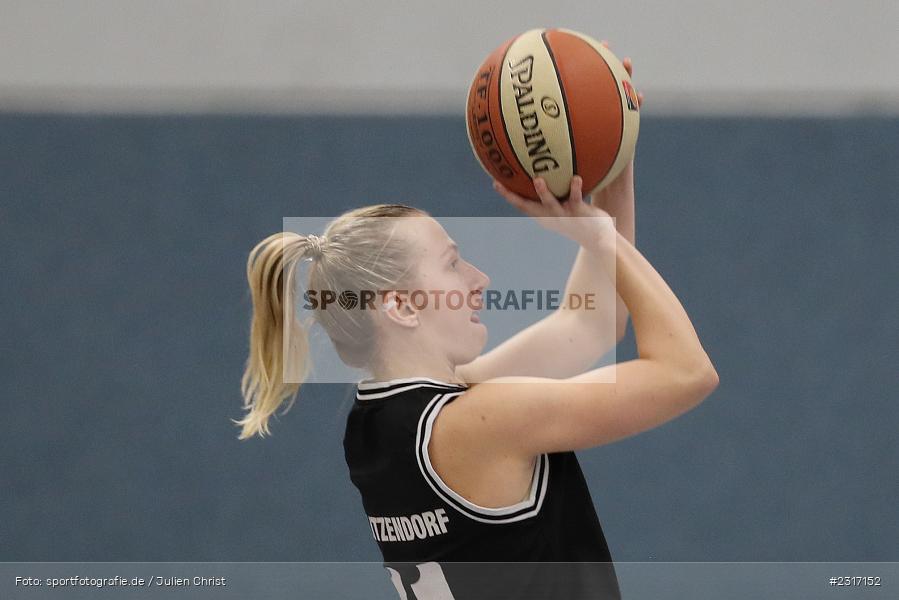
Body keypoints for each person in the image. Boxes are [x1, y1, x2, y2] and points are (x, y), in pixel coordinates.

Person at [236, 57, 718, 600]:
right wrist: (600, 239)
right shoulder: (482, 421)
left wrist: (612, 168)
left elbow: (590, 322)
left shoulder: (380, 423)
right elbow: (686, 372)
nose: (478, 279)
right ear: (401, 307)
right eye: (451, 264)